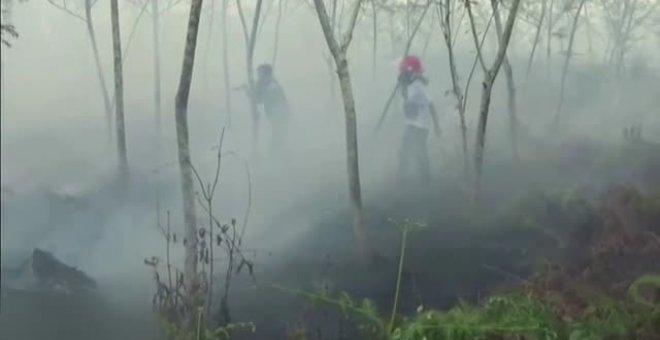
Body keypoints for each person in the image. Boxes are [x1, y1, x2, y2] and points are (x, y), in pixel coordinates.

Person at [397, 55, 440, 184]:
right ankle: (402, 180)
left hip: (420, 126)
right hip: (411, 124)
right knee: (405, 151)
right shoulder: (406, 86)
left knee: (419, 151)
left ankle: (426, 180)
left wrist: (437, 126)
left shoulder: (417, 87)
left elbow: (431, 105)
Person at [252, 63, 290, 151]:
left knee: (277, 139)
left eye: (260, 74)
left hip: (279, 117)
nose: (259, 76)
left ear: (266, 74)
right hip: (275, 117)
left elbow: (259, 99)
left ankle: (277, 155)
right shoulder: (267, 84)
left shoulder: (272, 86)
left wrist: (251, 93)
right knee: (276, 139)